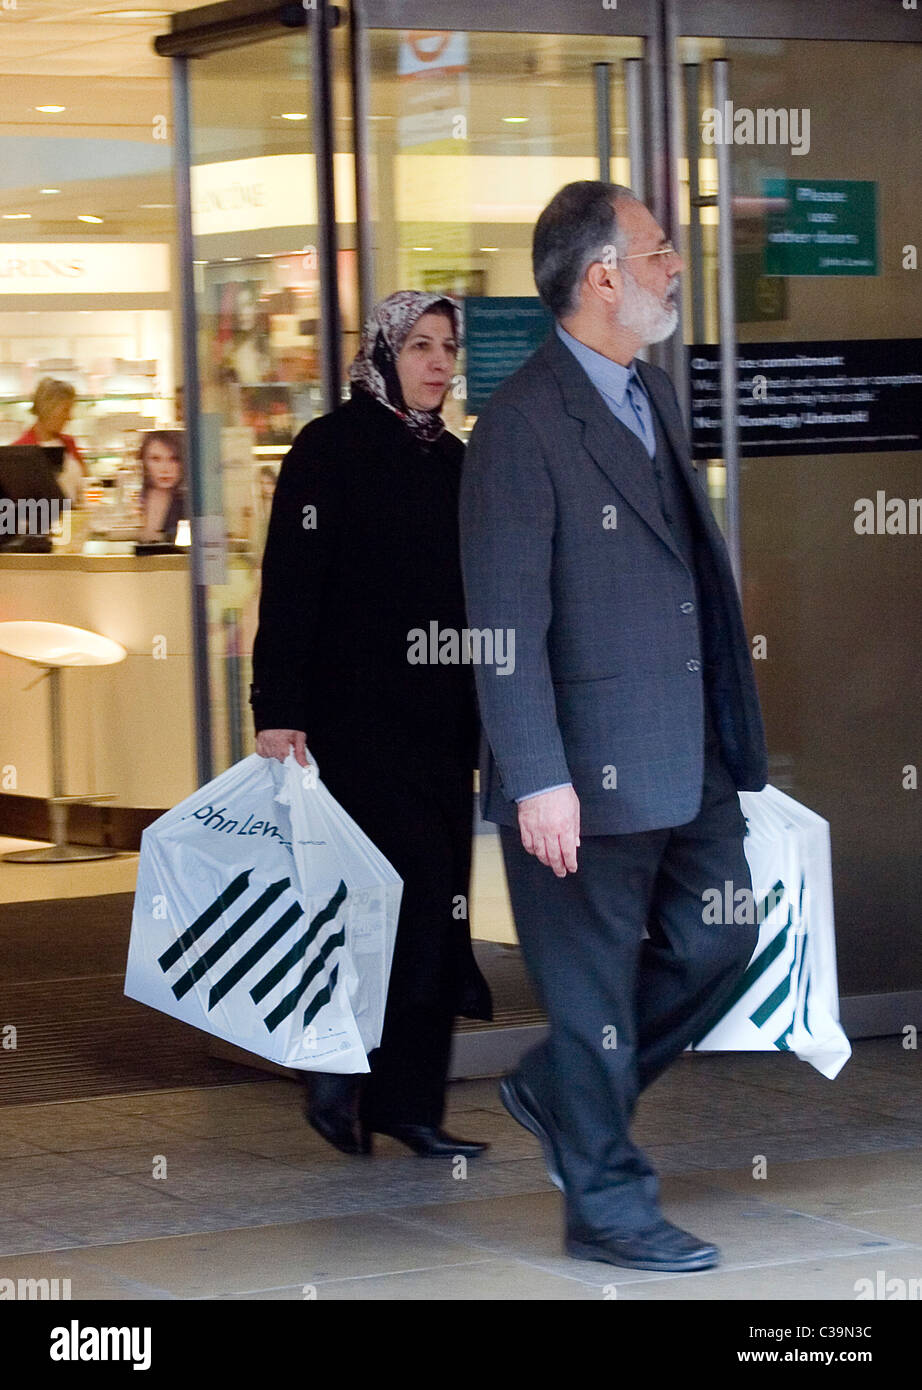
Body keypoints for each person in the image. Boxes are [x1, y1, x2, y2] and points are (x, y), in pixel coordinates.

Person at [459, 181, 768, 1271]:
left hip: (688, 749)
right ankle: (607, 1203)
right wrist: (536, 776)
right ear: (601, 277)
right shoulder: (520, 424)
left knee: (721, 935)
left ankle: (557, 1091)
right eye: (655, 250)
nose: (673, 263)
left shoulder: (650, 393)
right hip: (579, 774)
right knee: (590, 993)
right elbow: (502, 622)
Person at [251, 290, 492, 1159]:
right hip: (355, 725)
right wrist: (277, 711)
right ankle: (338, 1072)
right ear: (385, 353)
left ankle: (406, 1102)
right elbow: (292, 587)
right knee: (381, 907)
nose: (437, 363)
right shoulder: (329, 450)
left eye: (447, 347)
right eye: (421, 345)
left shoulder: (455, 461)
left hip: (440, 725)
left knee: (436, 909)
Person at [15, 377, 86, 505]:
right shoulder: (20, 451)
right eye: (65, 409)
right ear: (47, 408)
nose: (70, 417)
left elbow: (86, 484)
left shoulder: (69, 443)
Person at [138, 431, 186, 542]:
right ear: (144, 462)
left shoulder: (191, 503)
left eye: (174, 459)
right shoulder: (141, 497)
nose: (165, 469)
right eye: (155, 459)